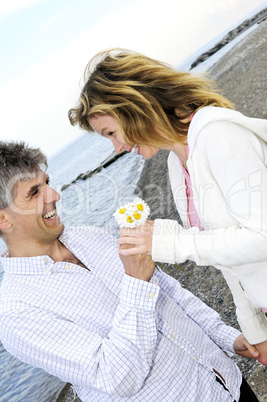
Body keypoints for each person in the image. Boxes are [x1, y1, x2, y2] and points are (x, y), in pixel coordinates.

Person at [0, 141, 261, 401]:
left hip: (226, 382)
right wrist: (136, 281)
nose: (54, 195)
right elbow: (116, 377)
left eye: (47, 182)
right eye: (35, 193)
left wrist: (227, 337)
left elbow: (171, 294)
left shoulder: (91, 237)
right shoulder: (17, 311)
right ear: (3, 219)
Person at [68, 48, 267, 364]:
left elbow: (262, 237)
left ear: (135, 109)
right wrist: (257, 332)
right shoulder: (178, 164)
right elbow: (230, 263)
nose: (118, 147)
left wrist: (168, 242)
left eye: (112, 133)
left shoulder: (218, 135)